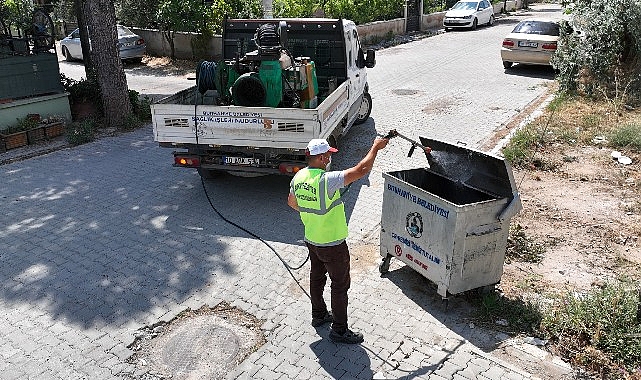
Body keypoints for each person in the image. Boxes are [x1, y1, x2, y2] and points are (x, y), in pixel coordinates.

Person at [287, 137, 389, 344]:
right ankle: (340, 330)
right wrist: (376, 147)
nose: (331, 158)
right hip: (332, 243)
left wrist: (313, 216)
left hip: (312, 239)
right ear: (322, 157)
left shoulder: (299, 177)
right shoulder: (327, 180)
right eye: (330, 155)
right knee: (340, 285)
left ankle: (319, 315)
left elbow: (291, 203)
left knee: (316, 277)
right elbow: (361, 170)